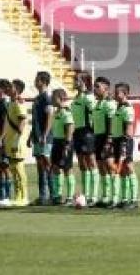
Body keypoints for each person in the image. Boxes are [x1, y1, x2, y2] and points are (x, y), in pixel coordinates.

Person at [70, 72, 97, 206]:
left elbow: (95, 115)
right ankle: (86, 194)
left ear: (84, 82)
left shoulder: (89, 98)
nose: (74, 82)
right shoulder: (76, 98)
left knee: (91, 162)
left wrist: (94, 132)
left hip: (87, 132)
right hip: (77, 133)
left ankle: (94, 195)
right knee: (82, 164)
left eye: (76, 80)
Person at [28, 71, 54, 205]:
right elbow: (36, 119)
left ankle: (53, 194)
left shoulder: (47, 98)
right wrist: (31, 135)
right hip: (37, 136)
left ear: (43, 82)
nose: (35, 82)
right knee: (40, 165)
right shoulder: (38, 98)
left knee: (47, 164)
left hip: (45, 137)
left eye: (37, 80)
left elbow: (50, 116)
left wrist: (45, 134)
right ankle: (43, 196)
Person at [111, 82, 138, 210]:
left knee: (128, 166)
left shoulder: (127, 108)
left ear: (125, 94)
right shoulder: (119, 107)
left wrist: (123, 144)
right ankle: (124, 198)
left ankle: (134, 199)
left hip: (124, 141)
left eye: (117, 93)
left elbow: (129, 128)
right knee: (121, 169)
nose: (115, 95)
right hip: (116, 140)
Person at [3, 79, 28, 207]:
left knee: (19, 168)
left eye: (11, 87)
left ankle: (24, 196)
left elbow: (22, 122)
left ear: (17, 89)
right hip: (10, 139)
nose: (8, 88)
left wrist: (16, 141)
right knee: (13, 168)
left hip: (17, 141)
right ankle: (17, 195)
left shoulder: (19, 103)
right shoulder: (11, 103)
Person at [92, 76, 116, 207]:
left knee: (110, 166)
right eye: (94, 87)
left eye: (97, 87)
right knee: (101, 167)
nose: (95, 89)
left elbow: (111, 122)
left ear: (106, 88)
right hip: (98, 137)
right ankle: (106, 196)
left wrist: (109, 139)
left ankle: (116, 196)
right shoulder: (98, 103)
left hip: (107, 138)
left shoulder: (109, 103)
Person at [49, 88, 75, 206]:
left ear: (60, 98)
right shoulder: (56, 112)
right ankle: (57, 195)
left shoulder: (66, 112)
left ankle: (70, 197)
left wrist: (67, 144)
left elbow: (70, 127)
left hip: (64, 143)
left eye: (53, 97)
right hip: (56, 141)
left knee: (67, 169)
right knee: (55, 167)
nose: (51, 99)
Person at [0, 79, 12, 206]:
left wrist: (1, 138)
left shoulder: (5, 103)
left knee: (5, 166)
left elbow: (6, 122)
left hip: (3, 139)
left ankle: (8, 196)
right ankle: (1, 195)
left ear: (2, 89)